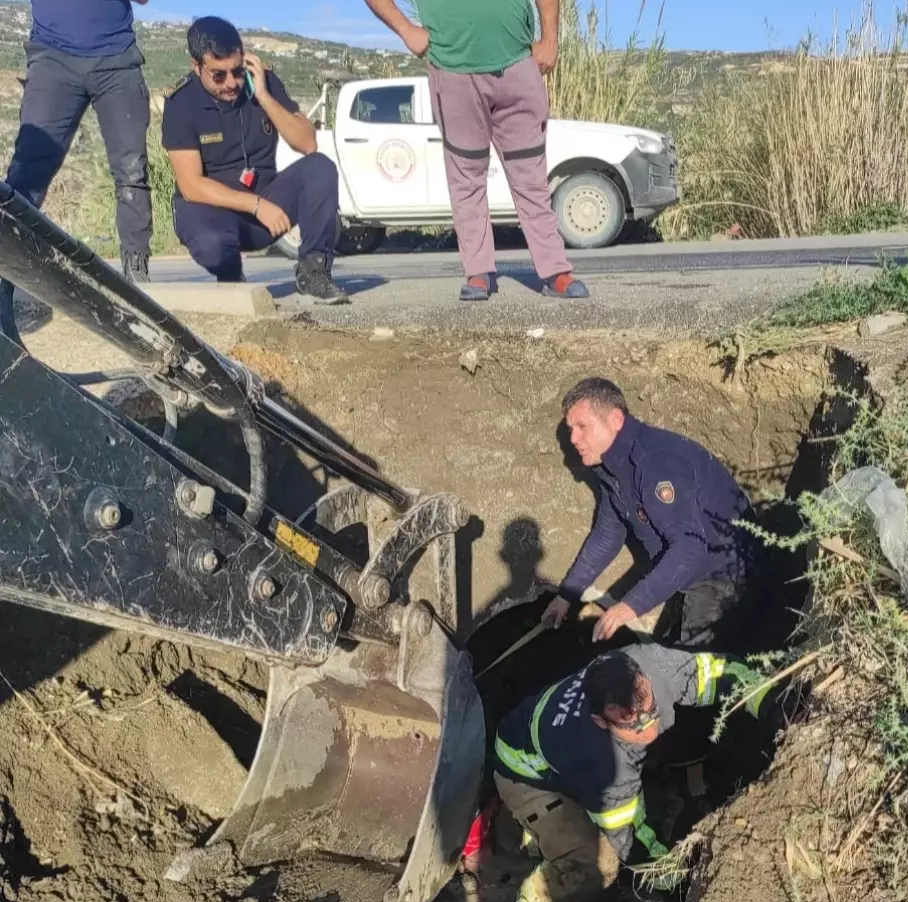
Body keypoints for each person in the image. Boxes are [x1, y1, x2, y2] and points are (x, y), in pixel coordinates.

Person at [492, 643, 776, 902]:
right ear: (602, 720)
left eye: (649, 708)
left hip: (546, 742)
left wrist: (774, 703)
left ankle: (530, 834)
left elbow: (722, 672)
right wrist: (671, 873)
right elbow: (629, 838)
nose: (648, 725)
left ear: (641, 677)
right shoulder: (601, 763)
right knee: (597, 864)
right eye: (632, 722)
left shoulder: (650, 664)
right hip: (523, 773)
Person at [364, 0, 589, 303]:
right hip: (454, 70)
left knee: (531, 179)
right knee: (466, 179)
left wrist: (550, 39)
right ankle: (479, 272)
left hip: (518, 66)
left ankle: (555, 271)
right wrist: (405, 29)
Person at [544, 378, 760, 648]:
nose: (574, 439)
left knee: (690, 671)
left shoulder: (654, 463)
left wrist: (629, 607)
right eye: (570, 429)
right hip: (695, 574)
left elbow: (690, 547)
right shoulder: (615, 469)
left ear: (615, 420)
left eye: (582, 427)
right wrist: (567, 595)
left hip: (725, 574)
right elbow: (607, 536)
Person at [161, 17, 347, 303]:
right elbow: (191, 186)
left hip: (266, 206)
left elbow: (307, 143)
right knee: (211, 242)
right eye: (218, 75)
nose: (232, 83)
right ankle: (231, 278)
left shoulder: (263, 82)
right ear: (196, 67)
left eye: (237, 71)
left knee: (320, 168)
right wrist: (257, 206)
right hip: (215, 213)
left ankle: (314, 273)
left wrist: (263, 95)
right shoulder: (181, 104)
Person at [0, 0, 153, 342]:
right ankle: (2, 286)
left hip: (116, 58)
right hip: (53, 59)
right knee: (25, 178)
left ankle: (140, 287)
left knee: (131, 172)